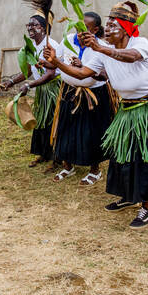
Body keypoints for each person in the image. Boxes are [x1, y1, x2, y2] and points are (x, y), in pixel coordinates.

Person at [43, 1, 148, 229]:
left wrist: (100, 47)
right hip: (128, 108)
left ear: (126, 28)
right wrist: (56, 62)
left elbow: (130, 57)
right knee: (120, 153)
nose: (109, 28)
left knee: (145, 156)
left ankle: (147, 207)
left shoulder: (139, 43)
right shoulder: (101, 51)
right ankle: (127, 196)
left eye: (114, 25)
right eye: (108, 24)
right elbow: (83, 73)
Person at [49, 11, 114, 184]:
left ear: (95, 29)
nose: (80, 30)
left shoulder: (102, 47)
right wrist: (48, 61)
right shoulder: (68, 40)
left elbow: (104, 74)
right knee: (66, 128)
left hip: (93, 95)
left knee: (91, 132)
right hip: (69, 91)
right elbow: (58, 61)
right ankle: (68, 166)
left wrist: (83, 66)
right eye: (79, 26)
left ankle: (94, 170)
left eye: (85, 27)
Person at [0, 15, 61, 170]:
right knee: (41, 121)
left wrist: (30, 85)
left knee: (53, 122)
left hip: (53, 89)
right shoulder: (30, 46)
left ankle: (58, 159)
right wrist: (12, 81)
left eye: (33, 25)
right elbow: (27, 70)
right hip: (41, 90)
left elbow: (50, 73)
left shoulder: (50, 45)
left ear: (42, 27)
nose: (29, 28)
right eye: (28, 25)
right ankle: (44, 154)